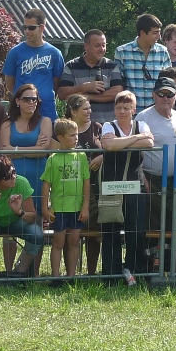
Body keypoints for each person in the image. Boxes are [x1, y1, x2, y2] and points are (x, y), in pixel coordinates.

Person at [100, 91, 154, 284]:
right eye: (118, 108)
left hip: (135, 185)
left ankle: (133, 270)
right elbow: (108, 146)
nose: (122, 111)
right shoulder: (108, 125)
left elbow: (149, 142)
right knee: (110, 230)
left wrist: (119, 142)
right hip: (111, 185)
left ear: (134, 109)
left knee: (136, 231)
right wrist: (135, 138)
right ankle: (111, 275)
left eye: (126, 108)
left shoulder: (142, 124)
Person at [0, 155, 44, 276]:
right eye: (8, 176)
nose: (14, 177)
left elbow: (32, 217)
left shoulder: (22, 182)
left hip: (15, 220)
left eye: (14, 172)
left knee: (37, 235)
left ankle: (20, 272)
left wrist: (19, 212)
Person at [136, 77, 176, 240]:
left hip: (175, 180)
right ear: (154, 95)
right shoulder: (143, 117)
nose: (165, 98)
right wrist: (142, 177)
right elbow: (136, 150)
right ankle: (151, 257)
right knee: (153, 225)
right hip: (151, 180)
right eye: (161, 94)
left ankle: (174, 257)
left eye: (169, 94)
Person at [41, 119, 90, 279]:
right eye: (72, 135)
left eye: (77, 134)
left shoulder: (81, 156)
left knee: (74, 241)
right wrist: (45, 208)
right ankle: (55, 277)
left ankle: (71, 276)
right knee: (58, 243)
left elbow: (86, 182)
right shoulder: (53, 158)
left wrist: (85, 206)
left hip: (77, 207)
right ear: (60, 137)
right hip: (59, 208)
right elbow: (46, 185)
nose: (76, 138)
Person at [2, 8, 65, 120]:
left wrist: (45, 96)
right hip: (22, 114)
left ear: (42, 28)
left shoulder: (55, 53)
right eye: (24, 27)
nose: (27, 31)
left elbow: (56, 83)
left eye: (31, 28)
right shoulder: (15, 53)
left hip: (47, 112)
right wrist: (24, 99)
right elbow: (10, 84)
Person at [65, 94, 103, 275]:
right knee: (70, 232)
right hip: (69, 187)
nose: (89, 111)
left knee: (94, 231)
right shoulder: (63, 127)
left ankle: (91, 273)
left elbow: (108, 148)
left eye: (90, 108)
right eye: (85, 109)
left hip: (95, 186)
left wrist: (102, 157)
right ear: (73, 111)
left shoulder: (97, 127)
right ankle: (70, 273)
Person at [0, 84, 53, 213]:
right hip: (13, 178)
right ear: (17, 101)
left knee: (37, 216)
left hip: (38, 176)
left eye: (34, 99)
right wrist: (34, 148)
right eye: (27, 99)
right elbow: (3, 152)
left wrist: (14, 149)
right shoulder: (7, 124)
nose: (31, 102)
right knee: (13, 212)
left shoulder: (45, 121)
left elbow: (43, 151)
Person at [57, 29, 125, 124]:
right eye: (97, 45)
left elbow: (117, 93)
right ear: (86, 46)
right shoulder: (71, 66)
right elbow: (62, 94)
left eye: (104, 45)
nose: (101, 49)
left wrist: (89, 96)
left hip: (107, 125)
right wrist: (84, 87)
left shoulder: (112, 66)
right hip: (78, 126)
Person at [113, 14, 170, 111]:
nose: (159, 37)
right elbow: (119, 85)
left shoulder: (163, 51)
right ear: (142, 33)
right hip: (131, 112)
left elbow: (167, 83)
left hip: (156, 111)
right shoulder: (122, 52)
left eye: (159, 32)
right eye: (155, 33)